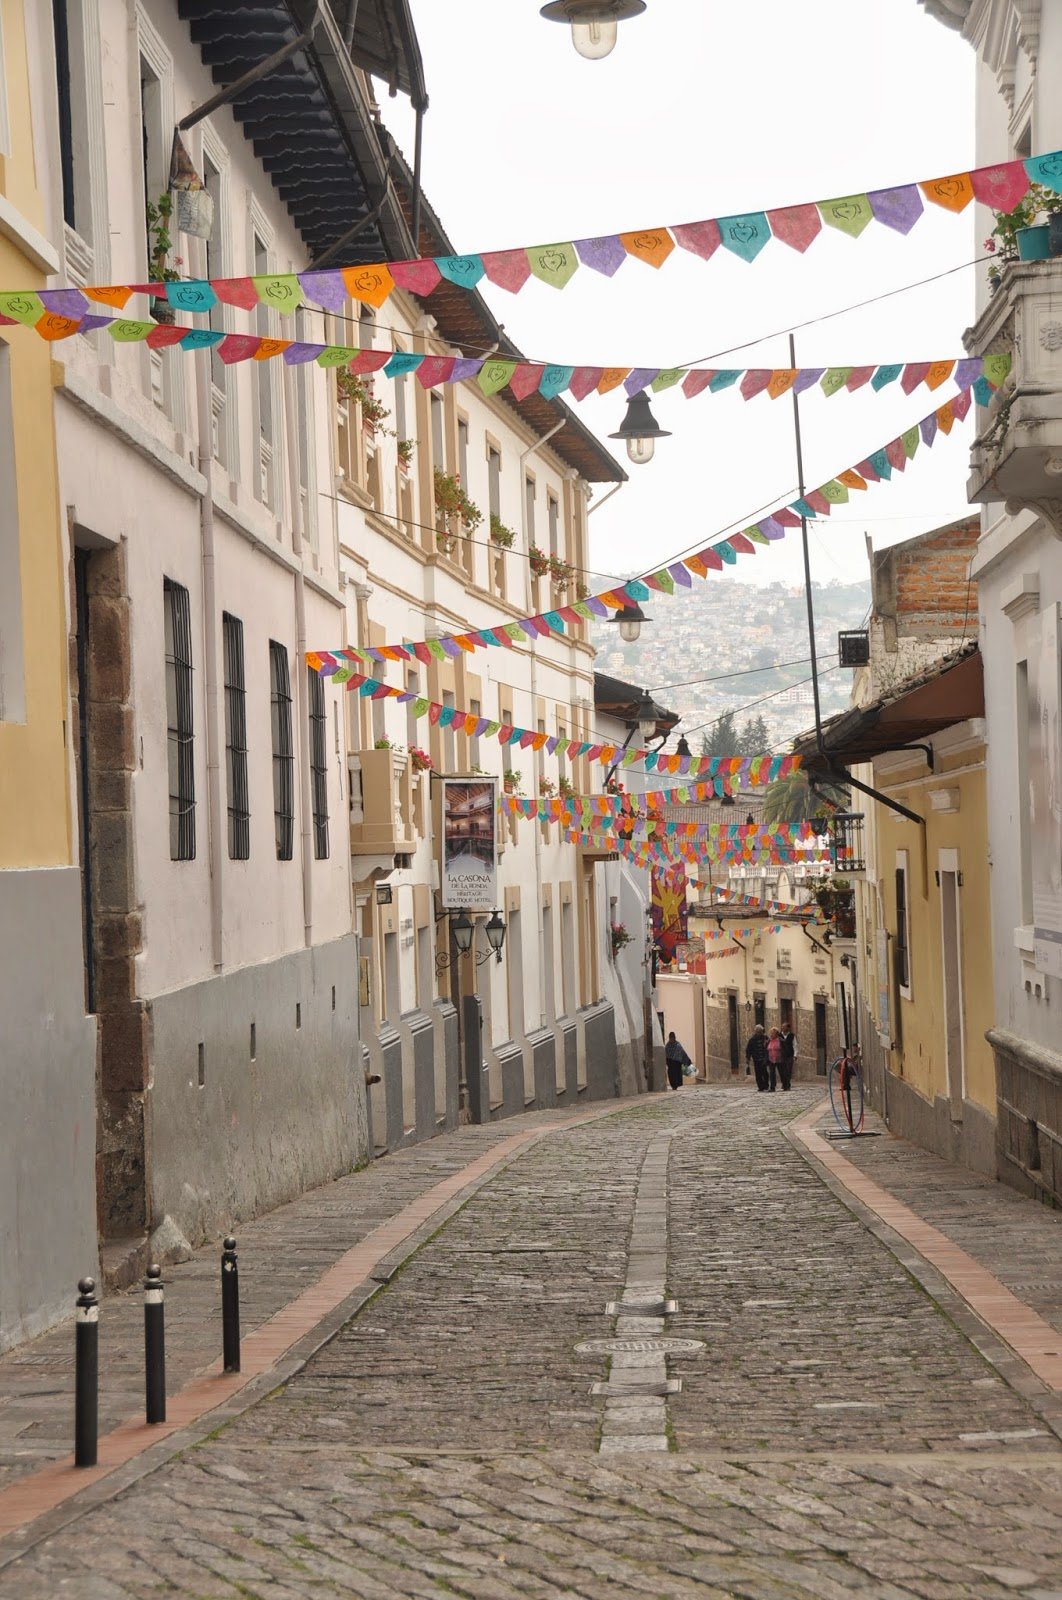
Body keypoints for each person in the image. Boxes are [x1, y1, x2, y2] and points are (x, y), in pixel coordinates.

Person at [745, 1024, 769, 1092]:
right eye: (757, 1031)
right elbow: (748, 1049)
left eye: (760, 1031)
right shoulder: (752, 1040)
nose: (759, 1033)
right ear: (755, 1031)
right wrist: (748, 1058)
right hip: (756, 1058)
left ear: (762, 1031)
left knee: (765, 1073)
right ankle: (760, 1086)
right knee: (758, 1073)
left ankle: (766, 1085)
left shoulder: (765, 1038)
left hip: (764, 1058)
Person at [765, 1027, 784, 1092]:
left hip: (779, 1059)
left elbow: (784, 1049)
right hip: (771, 1059)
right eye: (771, 1033)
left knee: (782, 1072)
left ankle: (785, 1084)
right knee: (772, 1073)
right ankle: (772, 1087)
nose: (771, 1035)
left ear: (776, 1034)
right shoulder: (769, 1041)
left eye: (772, 1033)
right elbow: (766, 1049)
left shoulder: (781, 1040)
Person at [779, 1021, 796, 1091]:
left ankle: (787, 1084)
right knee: (782, 1071)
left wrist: (795, 1055)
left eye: (784, 1026)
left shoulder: (792, 1036)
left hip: (789, 1055)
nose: (782, 1028)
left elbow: (795, 1045)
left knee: (788, 1070)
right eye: (782, 1026)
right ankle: (784, 1083)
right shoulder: (779, 1035)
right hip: (781, 1056)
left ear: (788, 1028)